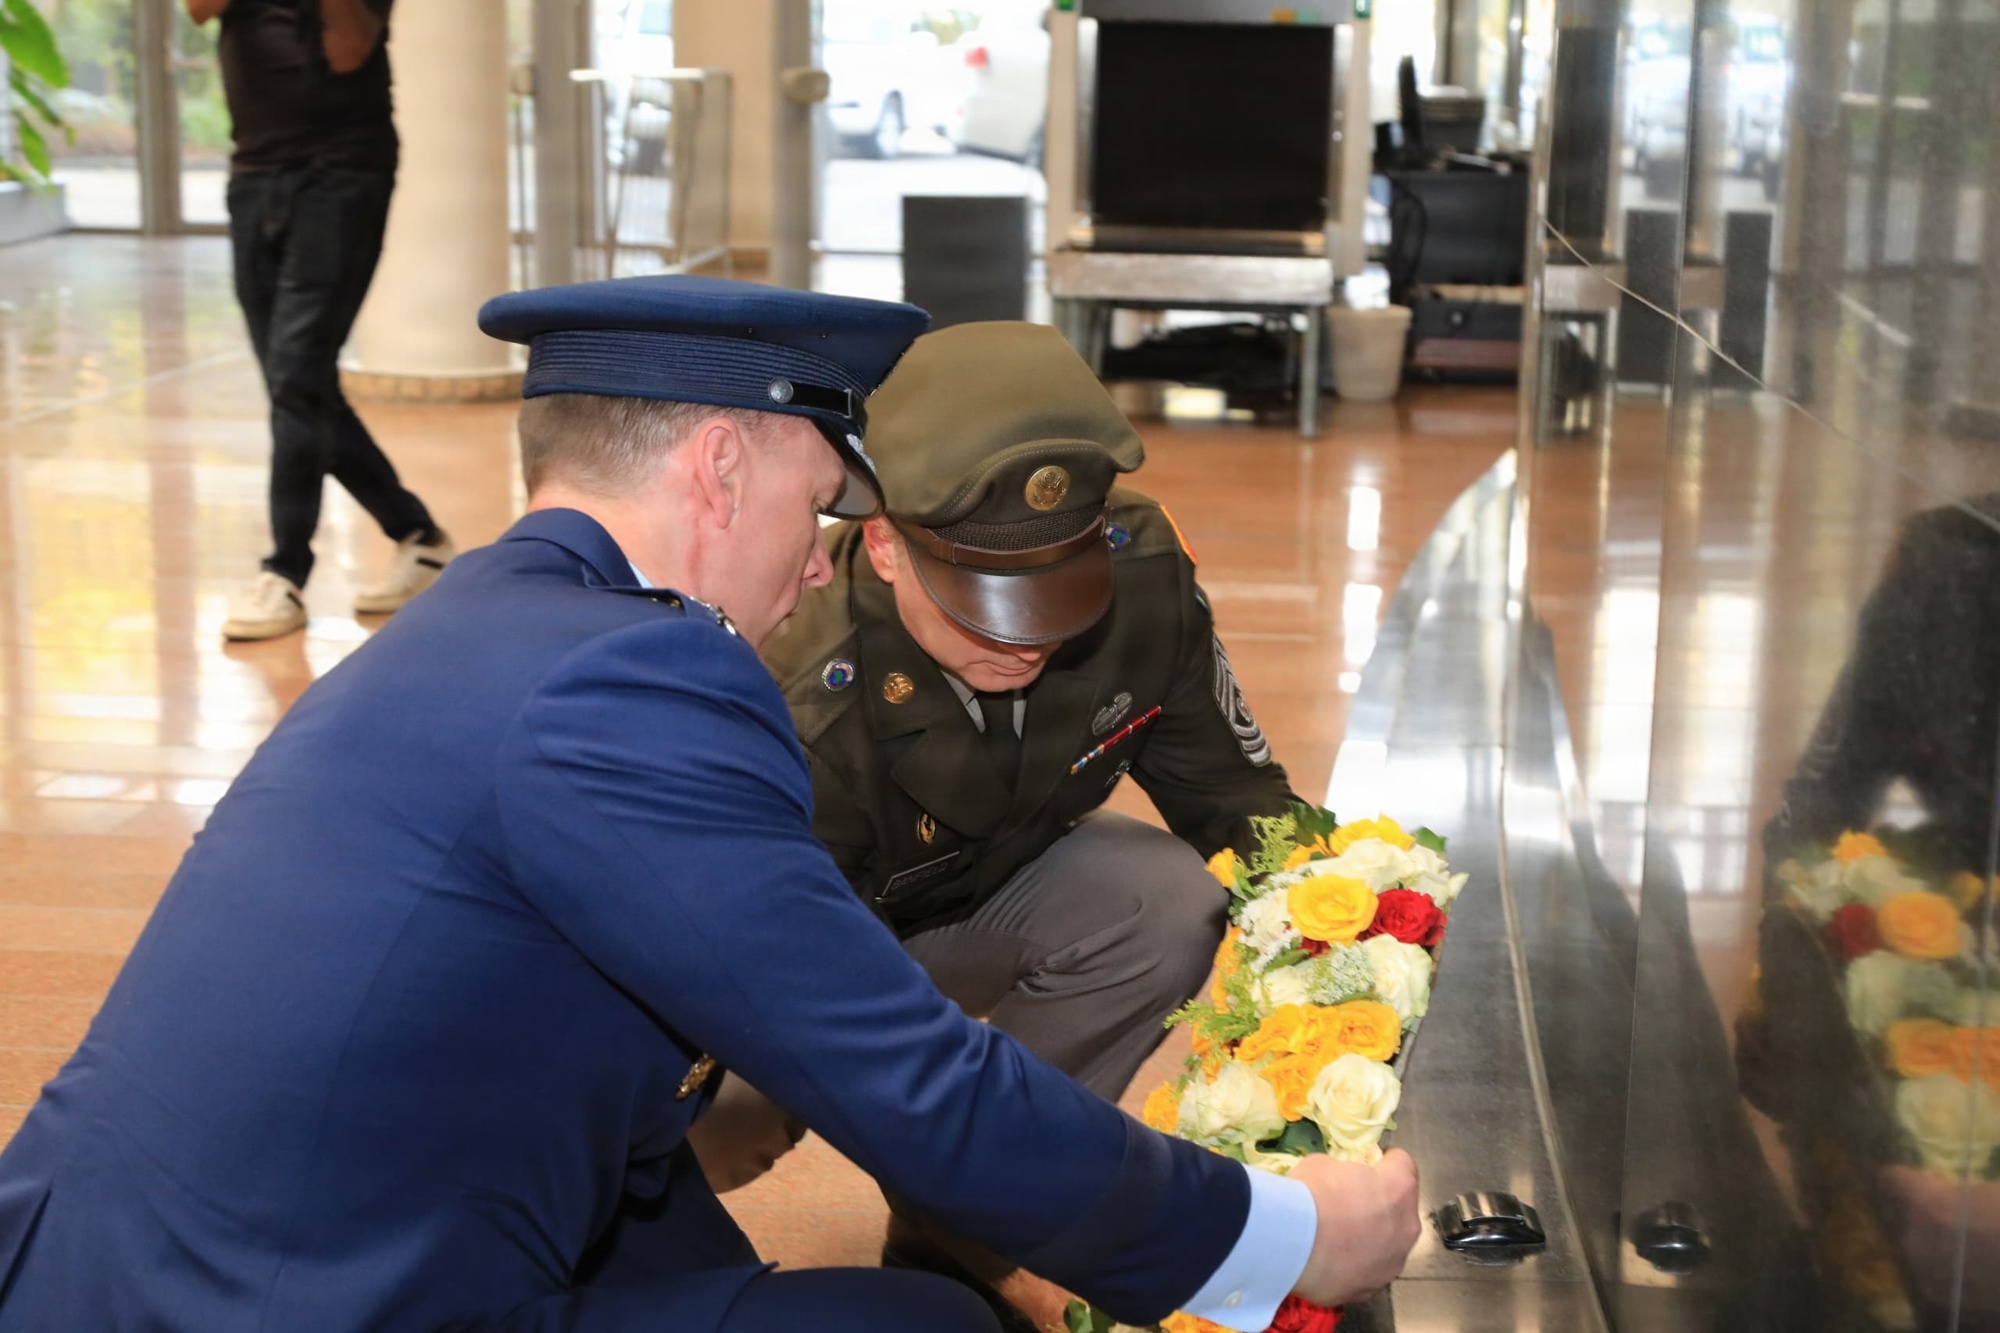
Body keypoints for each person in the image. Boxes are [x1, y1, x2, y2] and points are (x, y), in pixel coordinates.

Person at [0, 276, 1420, 1332]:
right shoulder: (642, 683)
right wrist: (1272, 1233)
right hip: (294, 1300)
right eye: (817, 512)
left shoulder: (490, 614)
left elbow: (593, 1088)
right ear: (721, 463)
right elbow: (904, 1076)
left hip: (197, 1250)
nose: (822, 566)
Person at [756, 320, 1301, 1327]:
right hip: (816, 941)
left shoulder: (1142, 580)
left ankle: (976, 1212)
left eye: (1058, 589)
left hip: (985, 885)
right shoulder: (799, 691)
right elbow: (813, 1005)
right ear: (883, 543)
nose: (1030, 638)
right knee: (730, 1112)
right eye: (980, 602)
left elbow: (1237, 802)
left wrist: (1340, 929)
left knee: (1167, 897)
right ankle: (970, 1218)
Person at [186, 0, 455, 641]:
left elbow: (349, 48)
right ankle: (419, 538)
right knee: (297, 383)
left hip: (342, 173)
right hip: (255, 172)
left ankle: (285, 573)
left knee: (297, 374)